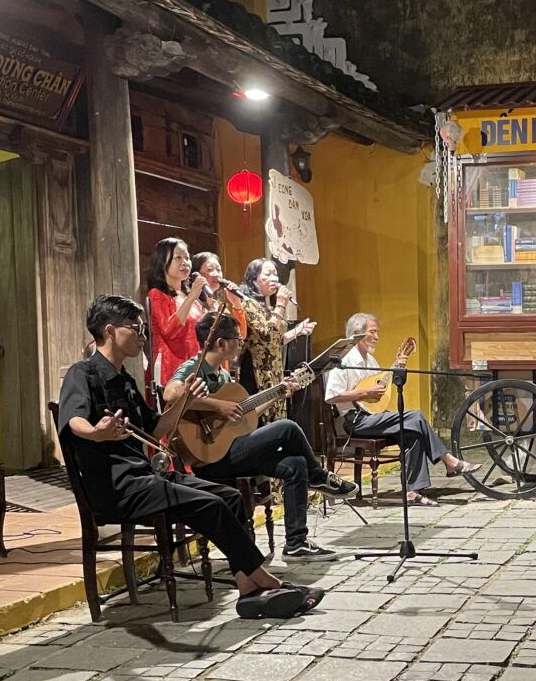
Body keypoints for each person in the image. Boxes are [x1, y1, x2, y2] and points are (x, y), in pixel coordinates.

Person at [58, 295, 323, 619]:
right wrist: (97, 432)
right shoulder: (81, 373)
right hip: (117, 487)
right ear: (110, 331)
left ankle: (248, 588)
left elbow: (155, 431)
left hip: (146, 477)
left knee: (229, 497)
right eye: (136, 327)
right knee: (210, 505)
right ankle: (268, 581)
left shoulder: (126, 381)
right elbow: (74, 422)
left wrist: (183, 403)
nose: (143, 334)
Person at [164, 311, 358, 560]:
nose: (241, 344)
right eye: (238, 338)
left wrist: (278, 393)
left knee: (295, 464)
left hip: (230, 450)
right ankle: (319, 477)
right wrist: (216, 406)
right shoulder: (194, 367)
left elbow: (246, 414)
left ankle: (296, 543)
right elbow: (171, 394)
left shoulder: (223, 375)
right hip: (209, 457)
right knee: (287, 427)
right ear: (221, 342)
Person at [324, 313, 480, 508]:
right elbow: (331, 396)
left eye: (377, 332)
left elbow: (380, 395)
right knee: (416, 416)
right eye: (373, 332)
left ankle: (412, 492)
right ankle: (448, 460)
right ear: (357, 333)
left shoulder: (370, 360)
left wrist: (397, 371)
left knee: (413, 433)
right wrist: (363, 392)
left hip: (374, 416)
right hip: (355, 420)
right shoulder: (343, 361)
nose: (377, 337)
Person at [238, 257, 316, 421]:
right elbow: (266, 334)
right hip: (256, 369)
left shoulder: (271, 308)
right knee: (260, 417)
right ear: (254, 279)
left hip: (274, 370)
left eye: (276, 274)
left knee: (277, 414)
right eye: (268, 274)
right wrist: (281, 304)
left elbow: (276, 340)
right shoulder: (248, 304)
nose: (275, 278)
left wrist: (297, 331)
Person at [145, 237, 204, 389]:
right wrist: (191, 298)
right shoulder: (157, 294)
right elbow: (169, 331)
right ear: (162, 262)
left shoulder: (192, 298)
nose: (185, 262)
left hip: (194, 366)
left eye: (187, 257)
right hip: (170, 367)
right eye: (178, 257)